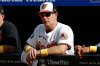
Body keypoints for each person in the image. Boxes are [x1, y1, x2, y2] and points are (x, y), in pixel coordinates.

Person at [21, 2, 74, 66]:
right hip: (47, 62)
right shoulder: (39, 28)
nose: (44, 17)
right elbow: (27, 45)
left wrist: (38, 52)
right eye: (41, 15)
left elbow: (61, 49)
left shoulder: (64, 28)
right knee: (25, 53)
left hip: (64, 62)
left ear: (56, 15)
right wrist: (31, 50)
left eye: (47, 14)